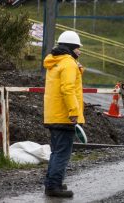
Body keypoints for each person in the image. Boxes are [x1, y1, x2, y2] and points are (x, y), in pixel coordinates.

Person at [43, 30, 85, 197]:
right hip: (65, 115)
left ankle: (53, 183)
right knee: (62, 153)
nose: (80, 51)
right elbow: (68, 89)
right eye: (78, 48)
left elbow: (66, 83)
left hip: (54, 114)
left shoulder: (56, 62)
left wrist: (78, 70)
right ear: (71, 48)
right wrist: (74, 112)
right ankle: (54, 187)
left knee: (56, 151)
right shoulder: (68, 63)